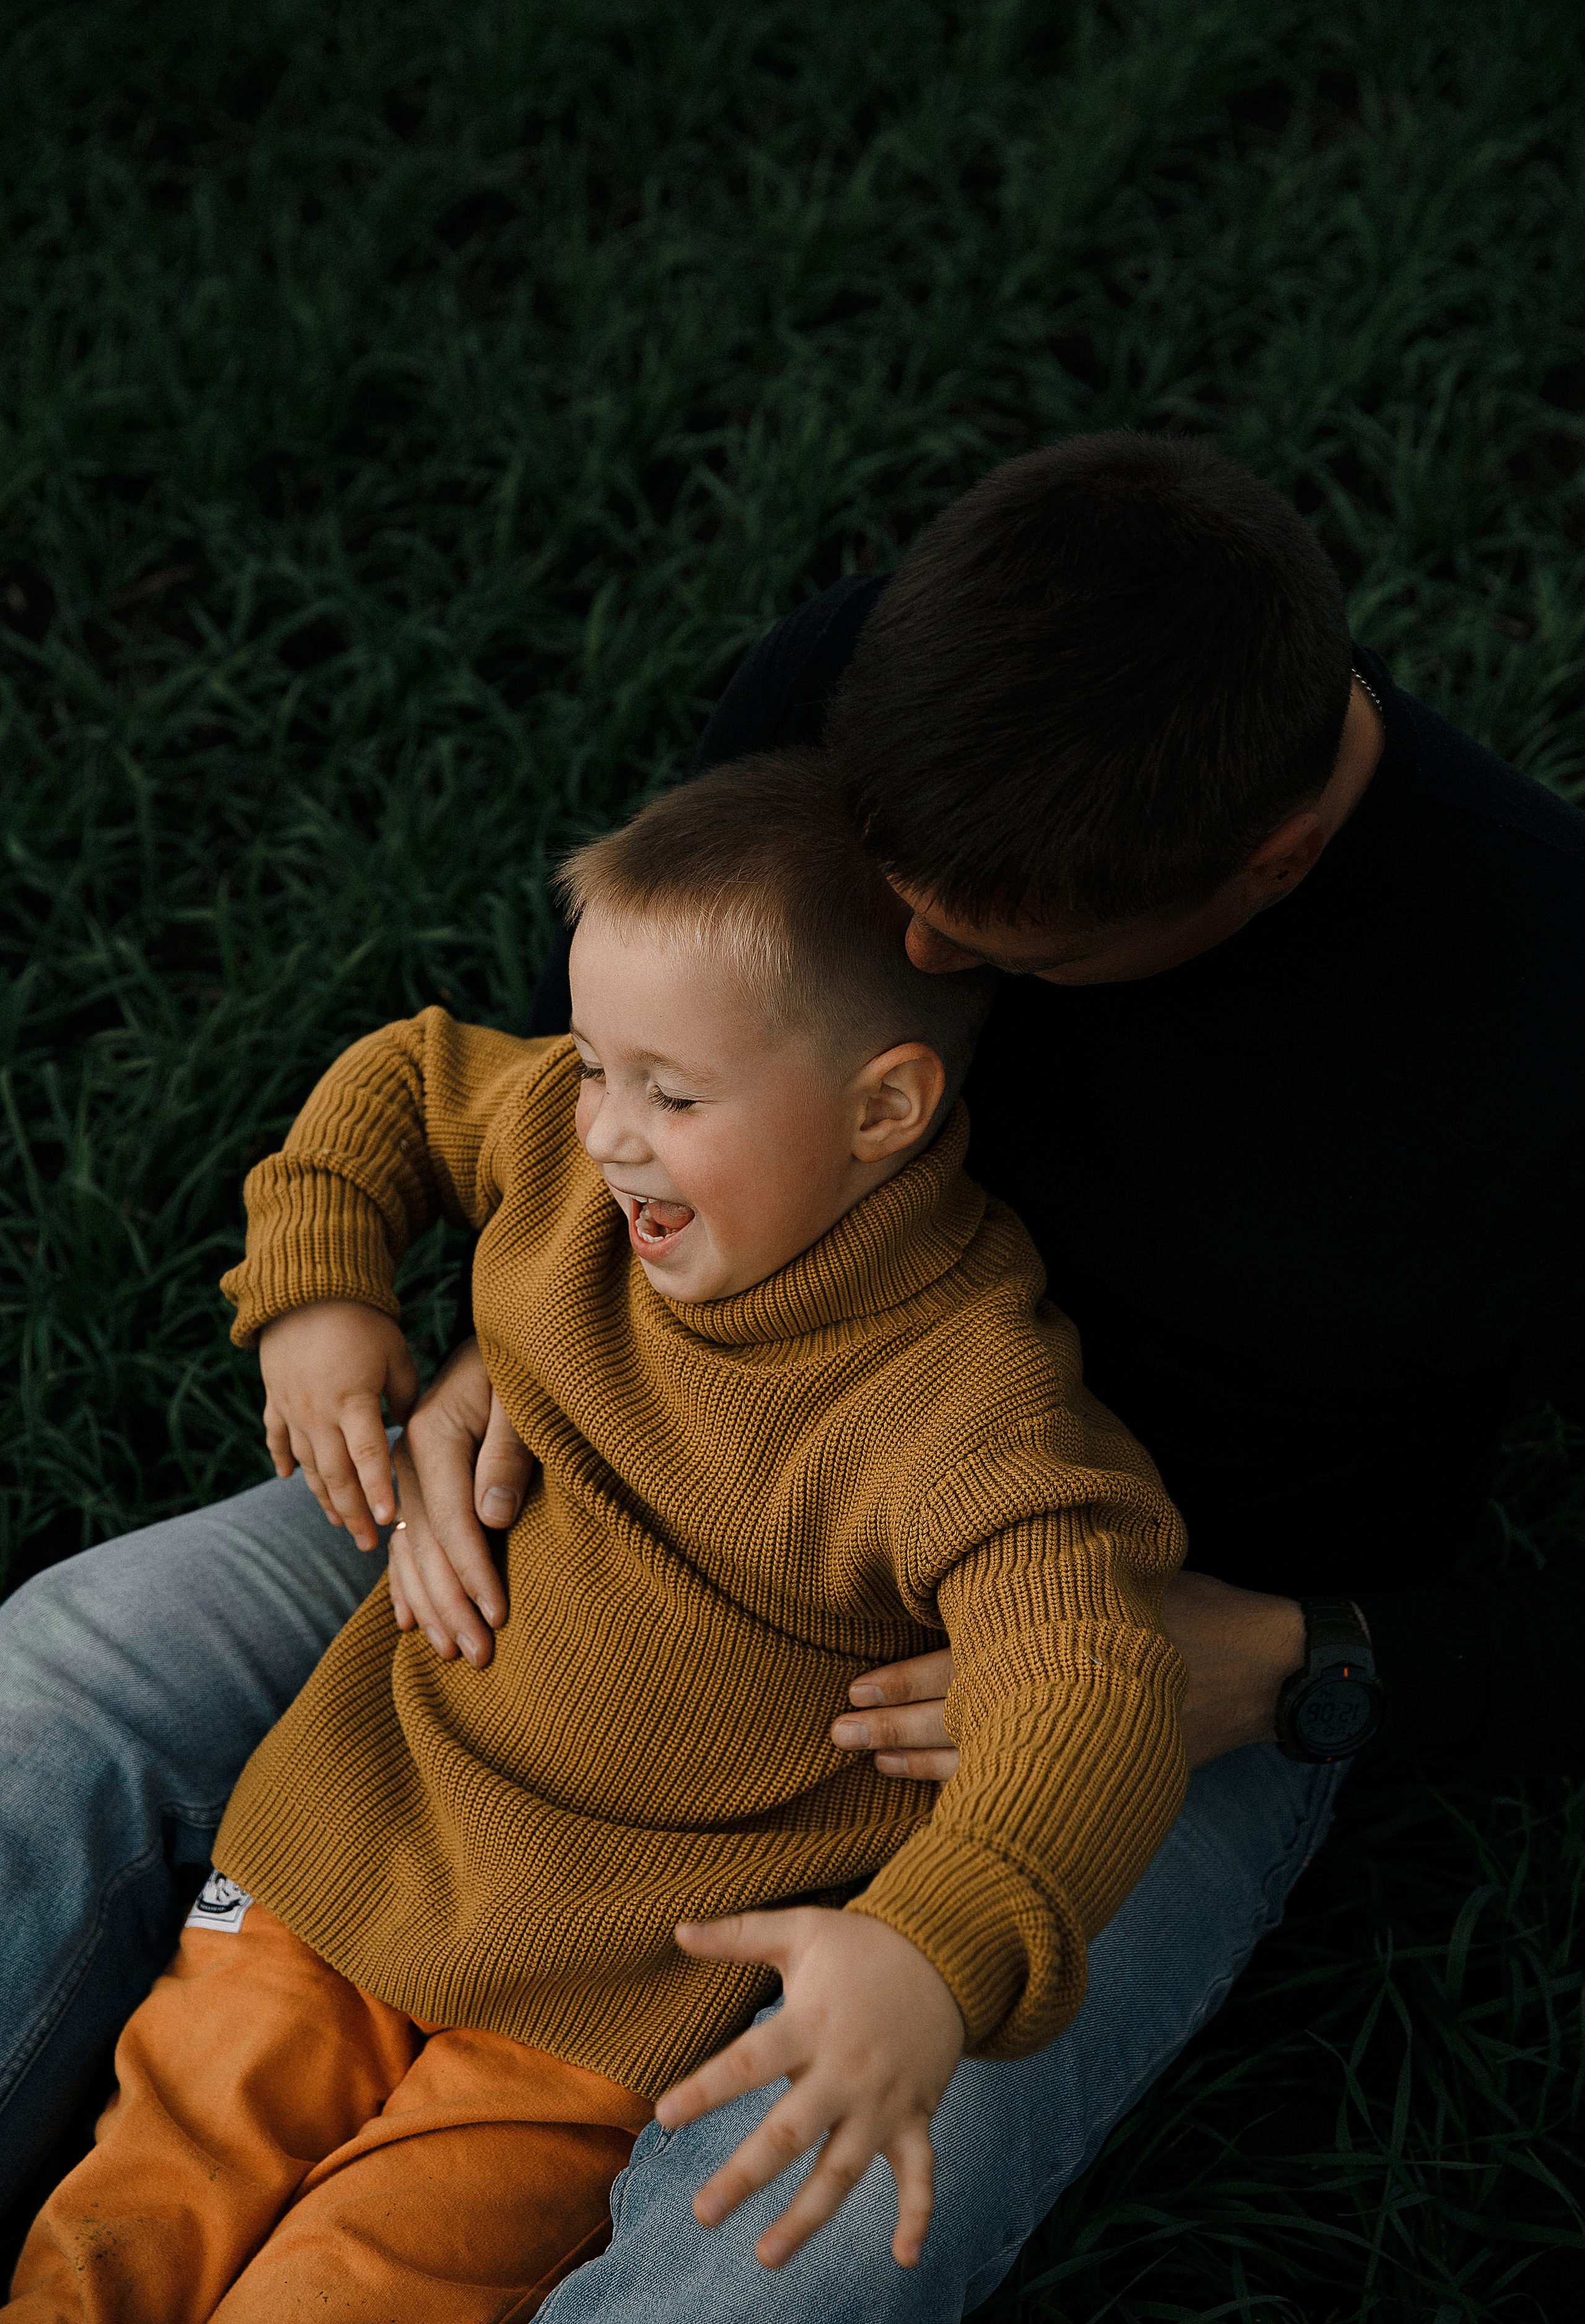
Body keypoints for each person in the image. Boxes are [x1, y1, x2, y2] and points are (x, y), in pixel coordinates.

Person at [2, 433, 1581, 2320]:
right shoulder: (875, 700)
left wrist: (1325, 1663)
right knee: (66, 1684)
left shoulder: (1537, 1039)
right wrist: (519, 1312)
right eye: (895, 888)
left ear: (1272, 867)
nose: (915, 956)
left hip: (1117, 1673)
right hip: (597, 1479)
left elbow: (1089, 1682)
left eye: (998, 954)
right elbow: (584, 1042)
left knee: (780, 2256)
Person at [7, 753, 1191, 2320]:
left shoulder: (960, 1405)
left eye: (671, 1095)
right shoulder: (585, 1168)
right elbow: (410, 1080)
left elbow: (1090, 1680)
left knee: (352, 2288)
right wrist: (320, 1285)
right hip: (363, 1824)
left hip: (609, 1988)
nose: (608, 1136)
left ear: (883, 1108)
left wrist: (935, 1945)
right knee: (135, 2208)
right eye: (589, 1067)